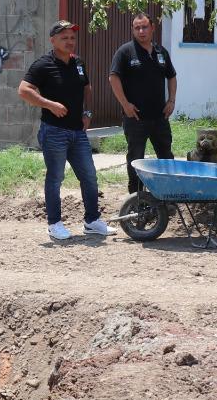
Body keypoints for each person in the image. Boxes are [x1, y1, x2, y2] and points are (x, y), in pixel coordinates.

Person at [19, 20, 111, 240]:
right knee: (55, 178)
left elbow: (87, 89)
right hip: (54, 132)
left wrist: (88, 114)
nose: (70, 41)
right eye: (64, 38)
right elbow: (23, 90)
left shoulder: (78, 63)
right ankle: (55, 224)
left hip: (77, 132)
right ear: (53, 41)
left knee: (89, 176)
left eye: (72, 37)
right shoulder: (43, 65)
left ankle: (92, 221)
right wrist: (49, 104)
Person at [109, 12, 179, 194]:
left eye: (145, 27)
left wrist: (171, 100)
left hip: (160, 117)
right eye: (137, 28)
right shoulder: (125, 51)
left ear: (152, 28)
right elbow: (113, 78)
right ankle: (137, 198)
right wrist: (125, 104)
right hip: (136, 118)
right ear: (133, 30)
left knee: (165, 158)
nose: (141, 31)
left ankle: (167, 194)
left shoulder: (161, 52)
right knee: (135, 159)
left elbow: (172, 76)